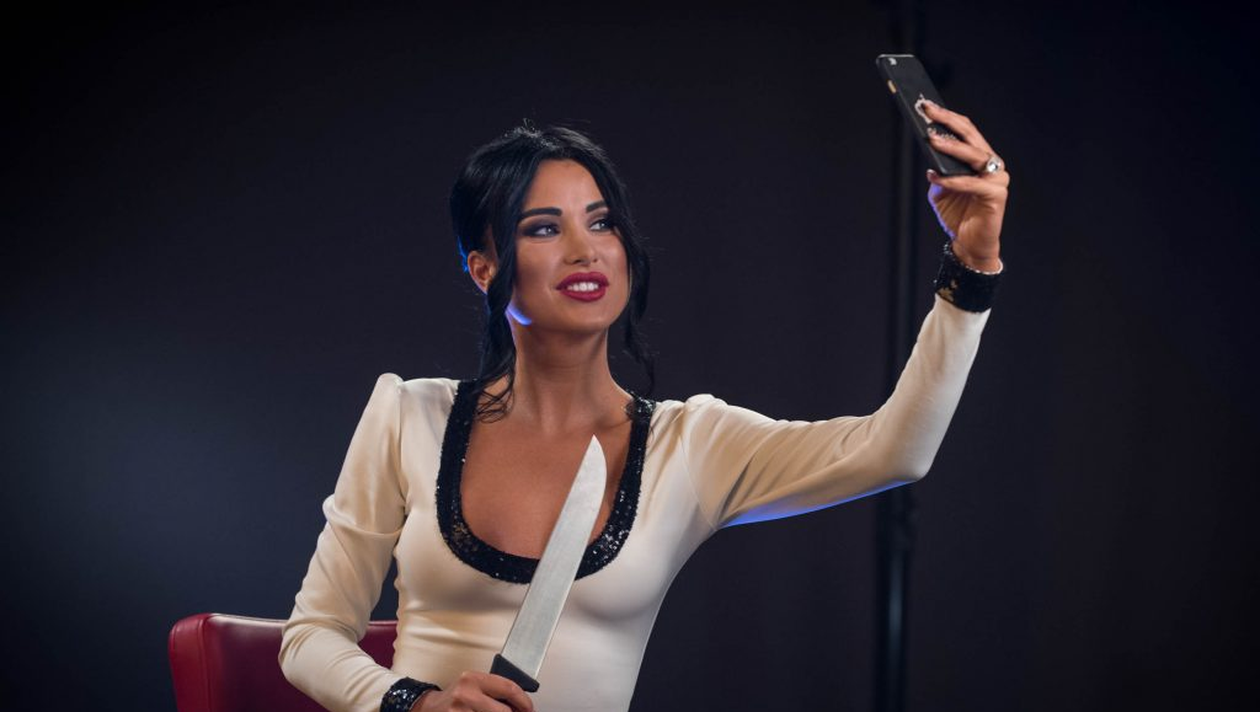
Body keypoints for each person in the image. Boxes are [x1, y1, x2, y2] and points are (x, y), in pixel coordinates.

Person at [279, 104, 1009, 712]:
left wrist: (971, 268)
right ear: (485, 268)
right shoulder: (409, 416)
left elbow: (895, 451)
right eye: (543, 228)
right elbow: (311, 634)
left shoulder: (690, 446)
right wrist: (415, 704)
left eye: (600, 223)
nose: (585, 250)